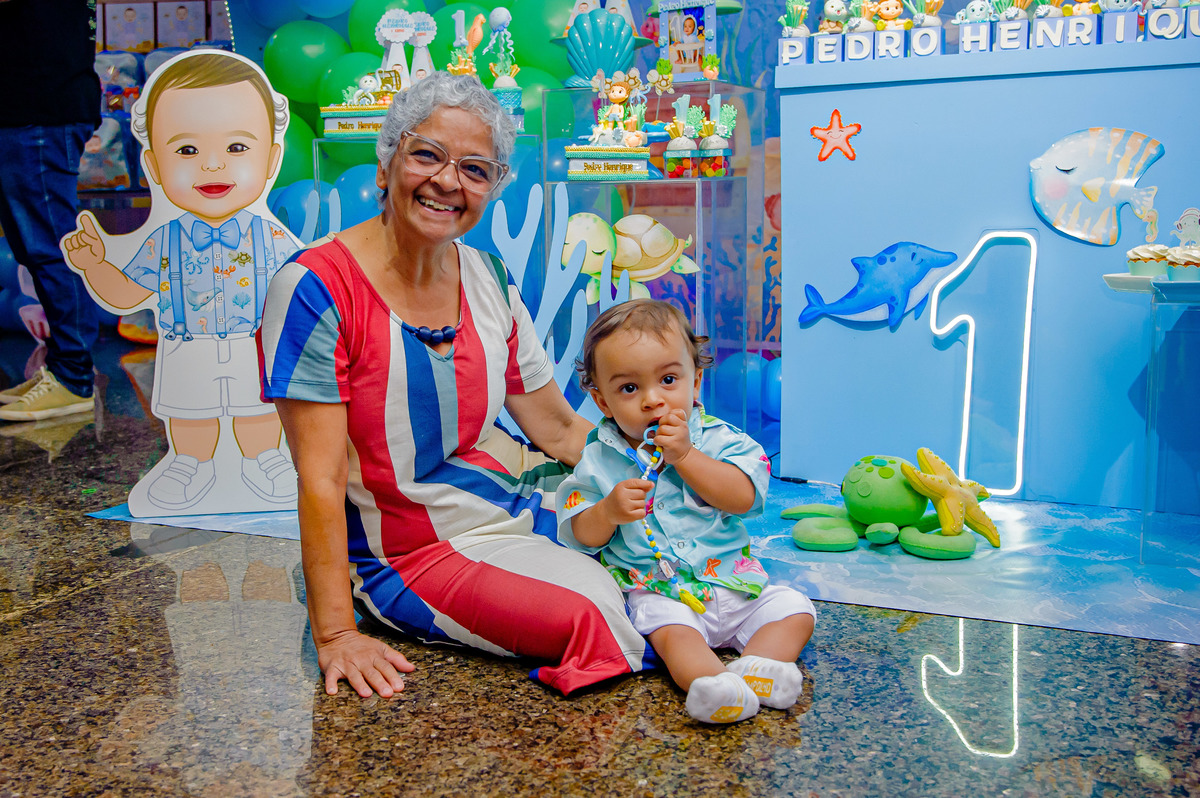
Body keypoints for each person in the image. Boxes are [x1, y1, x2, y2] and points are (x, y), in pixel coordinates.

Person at [257, 71, 654, 699]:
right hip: (409, 555)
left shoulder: (488, 275)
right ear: (385, 166)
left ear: (492, 188)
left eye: (474, 169)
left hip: (509, 501)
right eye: (426, 155)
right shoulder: (315, 288)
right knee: (602, 616)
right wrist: (334, 634)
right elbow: (321, 477)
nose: (448, 181)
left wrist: (673, 468)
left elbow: (554, 425)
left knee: (684, 561)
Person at [556, 299, 816, 724]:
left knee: (794, 609)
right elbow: (577, 531)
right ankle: (714, 686)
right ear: (602, 402)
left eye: (669, 379)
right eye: (628, 389)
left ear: (695, 382)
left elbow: (745, 498)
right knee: (675, 636)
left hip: (736, 585)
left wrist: (687, 456)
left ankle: (757, 668)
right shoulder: (599, 458)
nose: (652, 400)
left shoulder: (723, 440)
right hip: (660, 592)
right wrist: (607, 512)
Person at [63, 52, 299, 511]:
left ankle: (266, 459)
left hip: (253, 345)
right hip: (188, 346)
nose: (212, 166)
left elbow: (300, 288)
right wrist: (96, 266)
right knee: (192, 414)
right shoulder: (164, 242)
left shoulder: (272, 238)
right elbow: (128, 294)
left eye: (236, 148)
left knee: (258, 410)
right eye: (187, 150)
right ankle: (190, 462)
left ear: (271, 157)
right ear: (153, 164)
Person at [0, 0, 101, 422]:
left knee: (52, 248)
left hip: (41, 109)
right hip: (29, 108)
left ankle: (74, 379)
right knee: (35, 248)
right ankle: (63, 370)